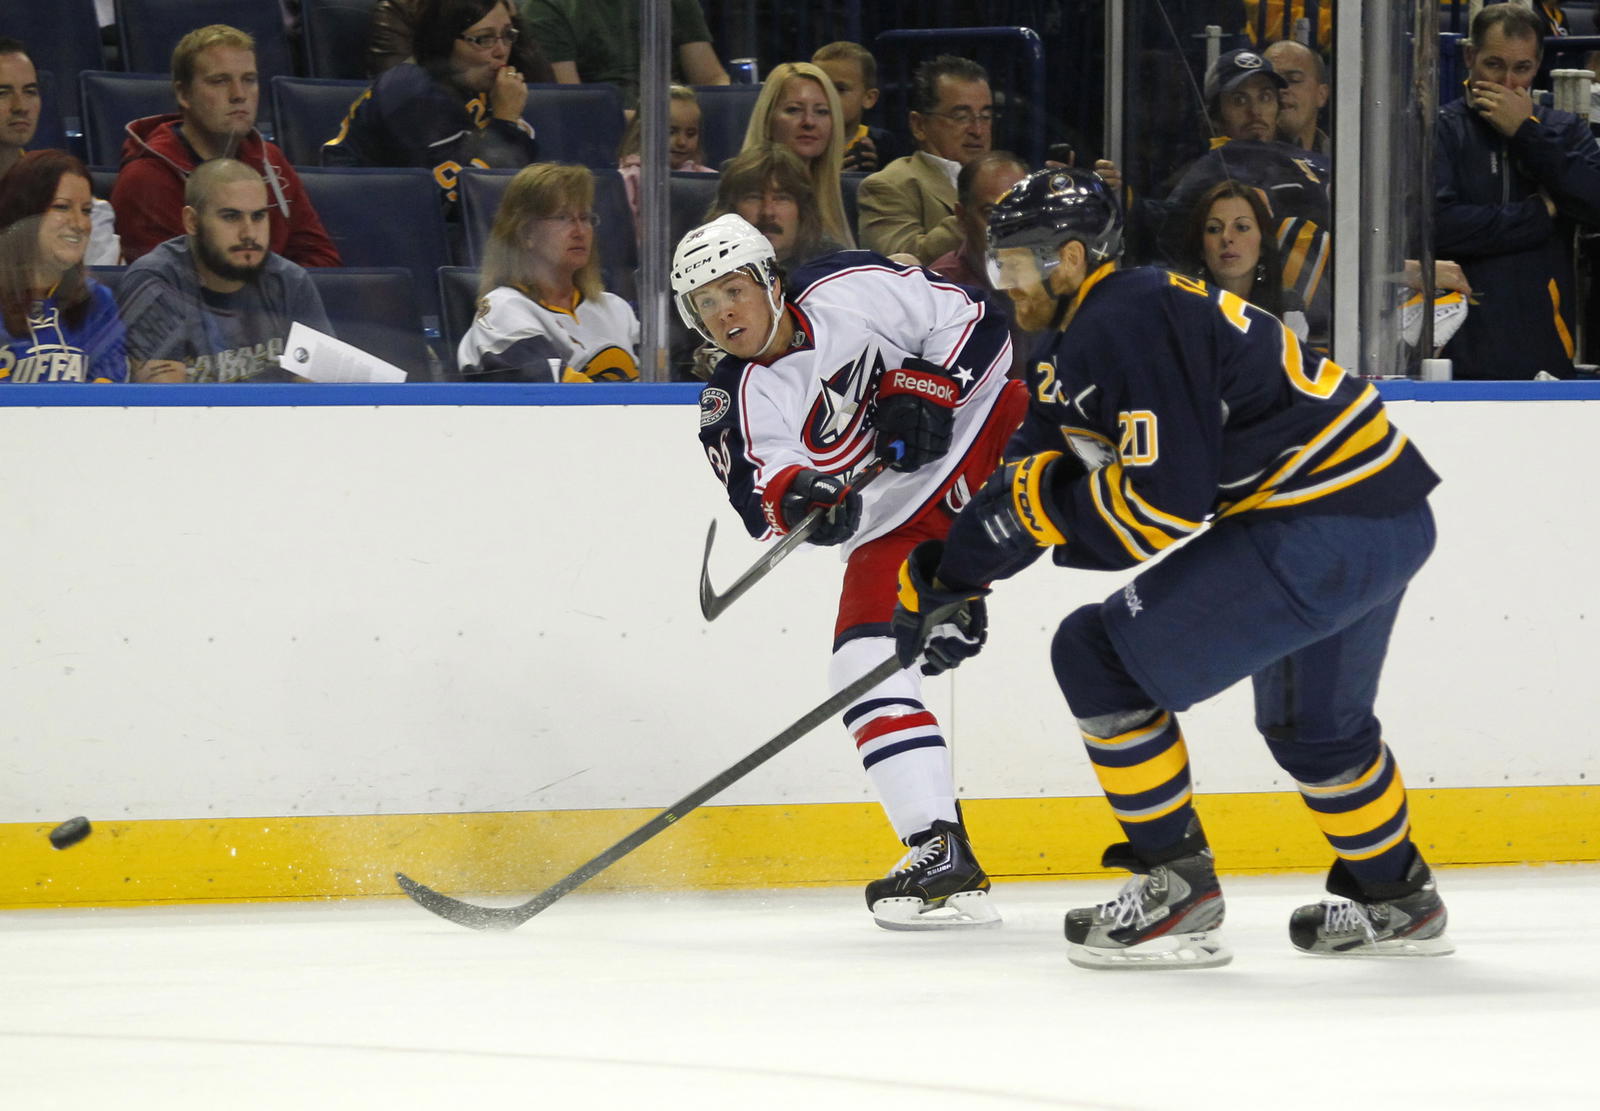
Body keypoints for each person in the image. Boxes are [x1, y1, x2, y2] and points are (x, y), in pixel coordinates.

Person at [890, 168, 1451, 968]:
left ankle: (1175, 886)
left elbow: (1163, 505)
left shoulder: (1127, 320)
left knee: (1095, 655)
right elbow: (1031, 466)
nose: (1003, 284)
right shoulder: (1085, 329)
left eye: (1016, 264)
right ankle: (1398, 896)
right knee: (1317, 730)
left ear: (1073, 258)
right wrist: (956, 573)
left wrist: (1036, 517)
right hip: (1384, 513)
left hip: (1323, 521)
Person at [673, 214, 1027, 930]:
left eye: (732, 289)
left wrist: (929, 386)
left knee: (1106, 474)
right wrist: (807, 501)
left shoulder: (850, 285)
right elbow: (763, 494)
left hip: (997, 430)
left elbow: (983, 321)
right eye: (703, 303)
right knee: (862, 664)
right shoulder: (729, 401)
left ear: (770, 280)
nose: (723, 313)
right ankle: (939, 845)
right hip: (900, 517)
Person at [1435, 3, 1600, 380]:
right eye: (1494, 65)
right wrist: (1540, 216)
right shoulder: (1441, 129)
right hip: (1457, 354)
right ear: (1469, 56)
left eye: (1521, 69)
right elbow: (1440, 225)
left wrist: (1526, 133)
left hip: (1547, 352)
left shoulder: (1563, 131)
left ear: (1538, 65)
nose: (1508, 83)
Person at [113, 25, 340, 268]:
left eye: (249, 80)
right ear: (183, 94)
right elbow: (175, 285)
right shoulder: (146, 179)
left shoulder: (271, 160)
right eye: (220, 81)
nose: (239, 94)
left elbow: (323, 262)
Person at [1155, 49, 1332, 338]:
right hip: (1282, 313)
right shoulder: (1213, 169)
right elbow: (1166, 230)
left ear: (1278, 105)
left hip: (1356, 286)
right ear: (1215, 115)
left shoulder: (1311, 158)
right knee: (1293, 230)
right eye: (1239, 100)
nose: (1255, 111)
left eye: (1265, 97)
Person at [119, 159, 333, 384]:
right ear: (191, 221)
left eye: (258, 216)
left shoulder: (290, 281)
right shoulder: (156, 282)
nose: (249, 233)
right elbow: (163, 405)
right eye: (231, 217)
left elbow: (317, 395)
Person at [324, 0, 538, 205]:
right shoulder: (411, 92)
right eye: (483, 39)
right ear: (443, 41)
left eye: (508, 35)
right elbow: (454, 200)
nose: (502, 51)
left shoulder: (480, 87)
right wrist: (505, 123)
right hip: (366, 212)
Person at [457, 162, 638, 381]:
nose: (580, 231)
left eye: (585, 218)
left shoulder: (616, 309)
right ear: (525, 233)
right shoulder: (503, 309)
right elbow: (554, 398)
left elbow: (663, 386)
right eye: (563, 218)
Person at [0, 150, 126, 384]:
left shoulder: (97, 301)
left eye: (86, 211)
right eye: (62, 207)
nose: (79, 224)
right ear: (25, 213)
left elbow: (107, 401)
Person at [856, 56, 994, 265]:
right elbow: (899, 264)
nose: (978, 130)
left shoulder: (1007, 177)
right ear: (919, 125)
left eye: (985, 116)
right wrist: (977, 211)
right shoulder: (889, 186)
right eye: (961, 117)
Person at [0, 38, 121, 265]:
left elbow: (97, 291)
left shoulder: (81, 207)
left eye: (30, 91)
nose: (20, 106)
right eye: (2, 93)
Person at [521, 0, 729, 112]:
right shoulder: (545, 6)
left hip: (679, 125)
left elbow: (711, 78)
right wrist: (651, 125)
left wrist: (710, 113)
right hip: (605, 140)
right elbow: (576, 106)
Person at [927, 150, 1033, 361]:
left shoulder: (1056, 282)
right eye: (991, 213)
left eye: (1020, 210)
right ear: (962, 217)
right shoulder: (939, 293)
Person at [739, 62, 854, 248]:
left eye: (821, 111)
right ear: (768, 119)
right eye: (794, 109)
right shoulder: (734, 189)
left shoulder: (851, 197)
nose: (809, 122)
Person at [1181, 179, 1308, 338]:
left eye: (1241, 227)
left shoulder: (1287, 309)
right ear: (1200, 248)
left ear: (1263, 243)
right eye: (1214, 229)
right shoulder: (1179, 309)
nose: (1226, 237)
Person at [707, 144, 845, 269]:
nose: (767, 212)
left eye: (781, 198)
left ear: (803, 211)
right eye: (754, 197)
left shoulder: (832, 269)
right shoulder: (701, 269)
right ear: (730, 208)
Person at [366, 0, 555, 81]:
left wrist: (515, 22)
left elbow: (543, 88)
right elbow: (401, 89)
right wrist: (505, 119)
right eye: (483, 38)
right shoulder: (400, 9)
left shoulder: (499, 9)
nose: (500, 50)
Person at [618, 84, 714, 223]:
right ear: (643, 131)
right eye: (671, 132)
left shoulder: (710, 180)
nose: (682, 142)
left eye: (691, 134)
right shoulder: (628, 179)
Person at [812, 41, 902, 174]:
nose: (827, 96)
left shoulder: (883, 143)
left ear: (868, 98)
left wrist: (879, 175)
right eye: (819, 88)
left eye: (840, 89)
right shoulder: (804, 140)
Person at [1263, 39, 1330, 154]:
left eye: (1294, 79)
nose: (1281, 89)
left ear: (1321, 95)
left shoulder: (1345, 157)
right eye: (1271, 81)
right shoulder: (1232, 162)